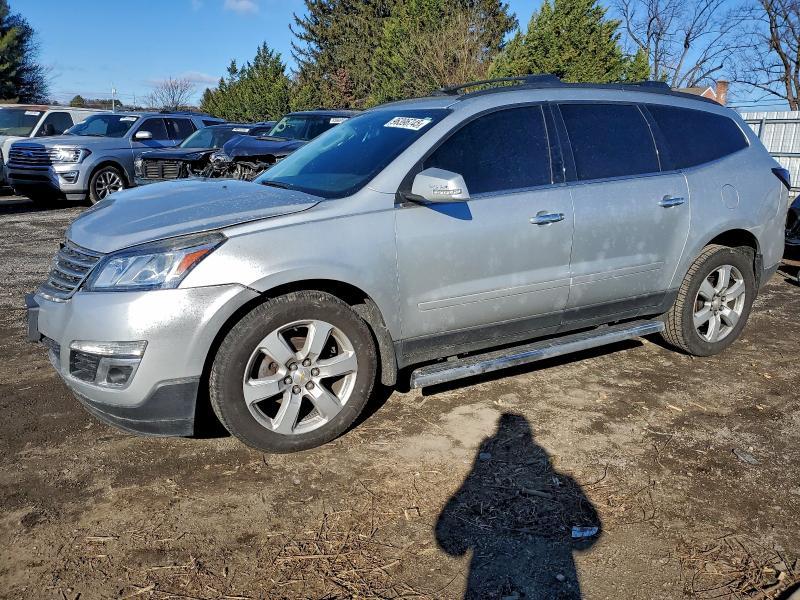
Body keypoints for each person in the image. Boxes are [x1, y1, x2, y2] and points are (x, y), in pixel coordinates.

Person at [435, 413, 601, 599]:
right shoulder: (561, 485)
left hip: (494, 579)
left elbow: (450, 539)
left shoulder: (480, 484)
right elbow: (589, 534)